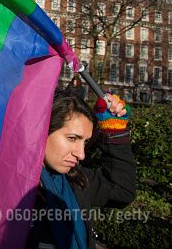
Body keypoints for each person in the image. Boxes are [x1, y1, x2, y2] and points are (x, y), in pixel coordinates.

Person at [26, 91, 136, 249]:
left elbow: (120, 190)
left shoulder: (75, 180)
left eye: (85, 142)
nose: (81, 154)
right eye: (72, 138)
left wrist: (114, 132)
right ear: (41, 131)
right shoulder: (4, 188)